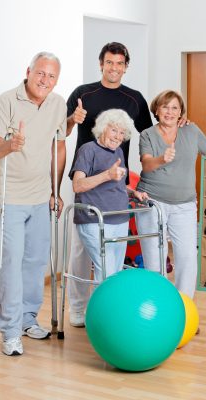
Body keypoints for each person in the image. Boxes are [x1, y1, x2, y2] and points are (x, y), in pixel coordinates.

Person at [66, 42, 153, 327]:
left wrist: (179, 123)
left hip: (116, 182)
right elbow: (62, 130)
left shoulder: (135, 98)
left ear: (126, 66)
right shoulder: (83, 93)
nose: (114, 68)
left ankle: (106, 306)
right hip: (85, 178)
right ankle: (78, 309)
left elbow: (151, 134)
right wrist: (71, 119)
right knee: (81, 248)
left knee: (112, 249)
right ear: (101, 63)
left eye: (119, 63)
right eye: (109, 62)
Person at [0, 52, 67, 356]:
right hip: (9, 197)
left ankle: (27, 319)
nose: (45, 80)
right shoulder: (6, 101)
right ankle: (9, 330)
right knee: (11, 264)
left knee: (34, 262)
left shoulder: (57, 103)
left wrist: (55, 190)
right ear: (29, 72)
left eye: (52, 76)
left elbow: (59, 146)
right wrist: (10, 145)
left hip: (40, 195)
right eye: (40, 74)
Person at [135, 90, 206, 299]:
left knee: (188, 257)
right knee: (154, 260)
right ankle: (159, 309)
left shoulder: (191, 130)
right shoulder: (147, 135)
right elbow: (147, 163)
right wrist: (162, 159)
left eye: (175, 108)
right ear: (157, 110)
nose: (169, 112)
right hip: (151, 203)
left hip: (185, 205)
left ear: (181, 113)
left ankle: (184, 310)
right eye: (165, 107)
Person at [71, 109, 148, 285]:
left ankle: (111, 311)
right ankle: (102, 312)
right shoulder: (88, 150)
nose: (118, 136)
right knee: (106, 273)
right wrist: (107, 175)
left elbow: (117, 185)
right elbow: (78, 185)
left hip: (119, 218)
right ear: (102, 128)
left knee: (114, 272)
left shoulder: (118, 152)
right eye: (114, 130)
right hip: (96, 220)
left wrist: (133, 193)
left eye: (122, 133)